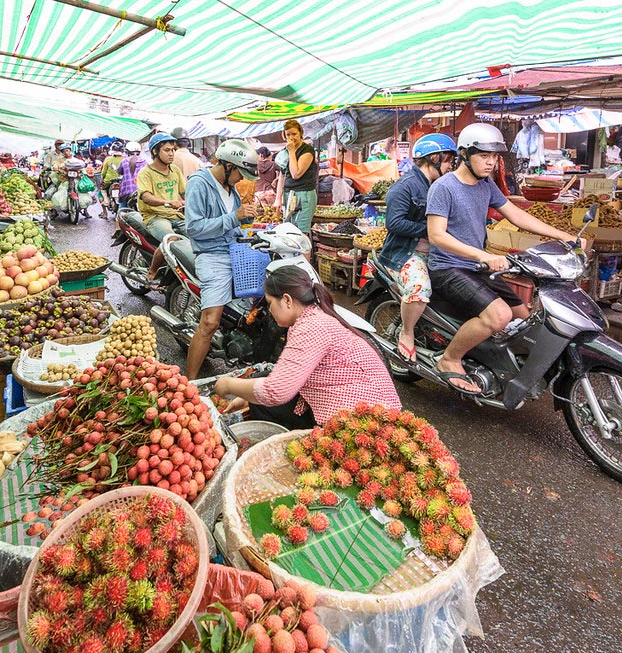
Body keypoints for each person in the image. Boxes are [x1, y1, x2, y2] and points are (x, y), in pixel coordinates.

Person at [427, 123, 580, 394]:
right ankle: (449, 358)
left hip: (476, 266)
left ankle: (494, 360)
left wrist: (562, 235)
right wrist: (483, 255)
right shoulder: (444, 187)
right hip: (448, 267)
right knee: (500, 315)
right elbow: (437, 235)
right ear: (464, 154)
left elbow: (517, 215)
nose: (491, 163)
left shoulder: (486, 185)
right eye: (484, 156)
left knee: (526, 317)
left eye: (494, 157)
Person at [214, 265, 401, 428]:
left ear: (287, 300)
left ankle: (291, 443)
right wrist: (246, 395)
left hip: (364, 420)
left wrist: (228, 385)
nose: (269, 310)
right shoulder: (314, 315)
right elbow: (285, 374)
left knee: (264, 401)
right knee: (263, 381)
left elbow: (275, 392)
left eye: (270, 303)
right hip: (368, 404)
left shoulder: (311, 327)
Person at [377, 133, 457, 362]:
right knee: (419, 288)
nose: (451, 166)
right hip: (406, 254)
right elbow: (394, 223)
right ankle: (407, 331)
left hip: (436, 253)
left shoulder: (439, 186)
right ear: (434, 158)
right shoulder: (406, 187)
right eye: (448, 160)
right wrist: (429, 230)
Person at [184, 139, 259, 379]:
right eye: (240, 173)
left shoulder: (230, 187)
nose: (242, 179)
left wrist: (247, 219)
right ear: (227, 165)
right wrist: (235, 218)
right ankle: (190, 384)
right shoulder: (199, 184)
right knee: (209, 323)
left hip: (234, 251)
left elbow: (232, 223)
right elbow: (194, 228)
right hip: (212, 255)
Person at [134, 133, 187, 285]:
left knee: (198, 235)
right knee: (170, 240)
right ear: (155, 151)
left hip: (177, 215)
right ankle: (153, 271)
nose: (171, 153)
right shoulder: (146, 172)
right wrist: (168, 202)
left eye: (173, 150)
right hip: (155, 216)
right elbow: (146, 197)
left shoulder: (175, 170)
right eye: (166, 150)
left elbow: (184, 193)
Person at [274, 119, 317, 233]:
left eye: (294, 134)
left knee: (301, 234)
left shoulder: (307, 150)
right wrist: (278, 198)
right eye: (288, 134)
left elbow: (296, 174)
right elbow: (283, 176)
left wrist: (292, 152)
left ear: (300, 133)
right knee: (289, 233)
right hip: (288, 194)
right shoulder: (286, 151)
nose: (291, 137)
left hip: (304, 195)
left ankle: (305, 252)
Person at [99, 142, 126, 219]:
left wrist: (102, 179)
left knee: (102, 190)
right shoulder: (124, 159)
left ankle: (105, 205)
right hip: (121, 181)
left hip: (108, 181)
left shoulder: (108, 159)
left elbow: (103, 172)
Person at [117, 141, 146, 208]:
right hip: (141, 191)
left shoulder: (124, 161)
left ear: (127, 151)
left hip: (127, 191)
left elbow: (119, 171)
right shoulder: (144, 162)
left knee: (122, 209)